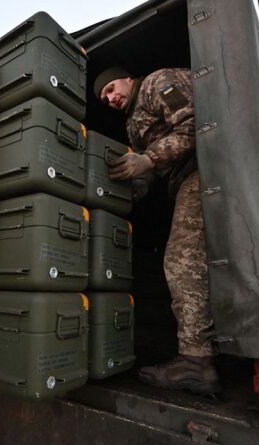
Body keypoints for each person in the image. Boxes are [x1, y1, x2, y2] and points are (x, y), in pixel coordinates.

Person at [94, 67, 220, 394]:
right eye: (105, 97)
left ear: (128, 79)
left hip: (206, 169)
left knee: (180, 261)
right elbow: (146, 173)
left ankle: (196, 362)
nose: (110, 98)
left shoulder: (157, 83)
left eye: (111, 88)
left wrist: (147, 159)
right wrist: (124, 191)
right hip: (183, 180)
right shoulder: (132, 125)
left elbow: (197, 124)